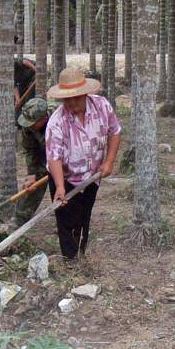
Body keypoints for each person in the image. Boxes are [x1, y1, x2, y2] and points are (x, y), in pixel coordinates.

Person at [45, 66, 121, 260]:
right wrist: (60, 187)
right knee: (67, 220)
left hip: (93, 176)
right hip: (65, 178)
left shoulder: (102, 106)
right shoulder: (57, 121)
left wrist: (109, 161)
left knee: (84, 217)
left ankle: (81, 253)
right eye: (66, 99)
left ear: (85, 94)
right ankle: (70, 262)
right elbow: (54, 157)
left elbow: (114, 132)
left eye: (76, 98)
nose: (71, 103)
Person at [13, 97, 52, 228]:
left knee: (64, 190)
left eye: (32, 123)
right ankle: (18, 221)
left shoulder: (59, 121)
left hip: (65, 160)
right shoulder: (28, 127)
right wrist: (32, 173)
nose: (27, 126)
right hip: (42, 158)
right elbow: (30, 150)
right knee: (32, 186)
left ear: (44, 119)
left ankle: (68, 224)